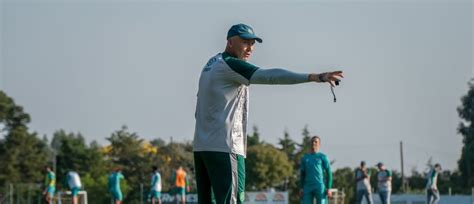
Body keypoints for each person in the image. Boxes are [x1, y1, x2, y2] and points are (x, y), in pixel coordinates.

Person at [193, 23, 343, 204]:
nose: (250, 48)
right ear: (230, 42)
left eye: (252, 43)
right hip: (225, 147)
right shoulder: (232, 64)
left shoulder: (211, 63)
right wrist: (312, 77)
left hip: (202, 147)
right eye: (245, 42)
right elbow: (271, 76)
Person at [299, 136, 333, 204]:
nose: (313, 143)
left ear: (319, 144)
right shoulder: (305, 158)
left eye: (316, 142)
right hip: (307, 187)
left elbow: (329, 173)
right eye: (312, 141)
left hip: (320, 186)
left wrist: (329, 188)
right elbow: (302, 174)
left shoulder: (323, 157)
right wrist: (301, 188)